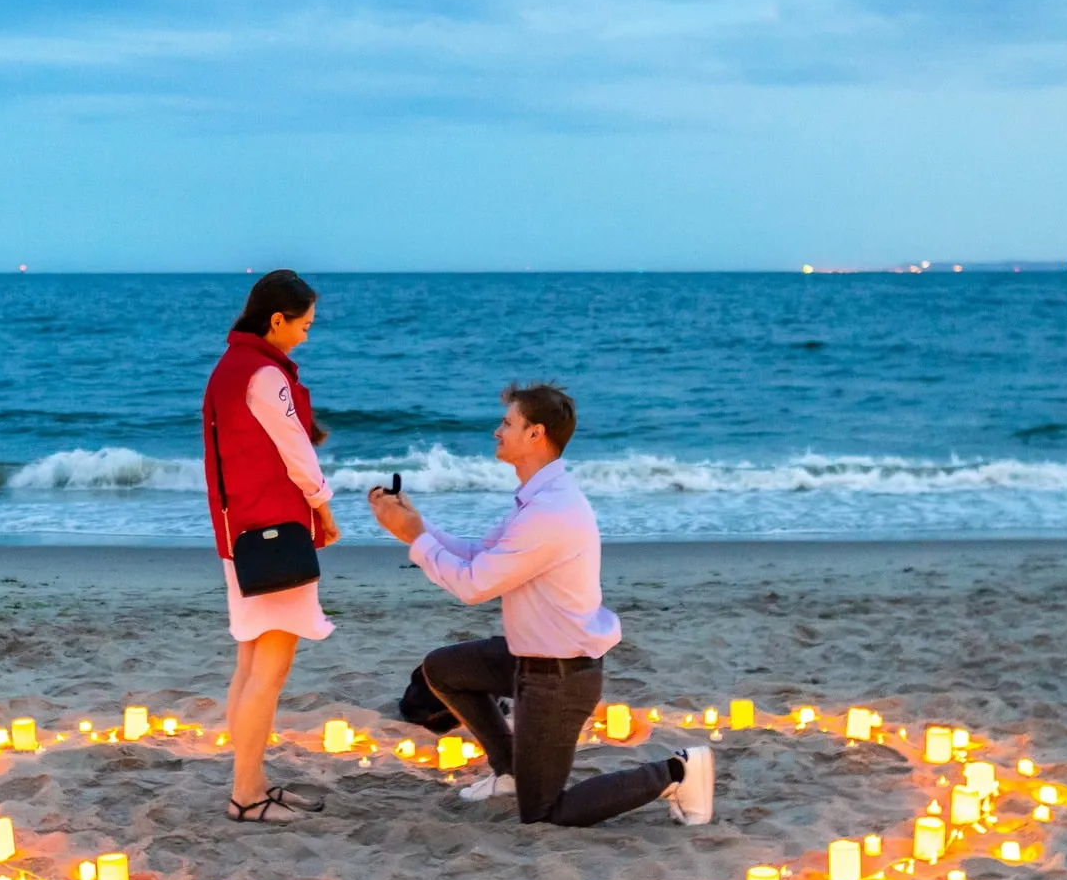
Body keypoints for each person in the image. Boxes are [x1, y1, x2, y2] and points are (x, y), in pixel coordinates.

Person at [366, 383, 714, 827]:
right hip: (527, 658)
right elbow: (478, 552)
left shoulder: (551, 511)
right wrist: (414, 526)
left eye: (507, 423)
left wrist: (415, 537)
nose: (496, 431)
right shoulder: (536, 501)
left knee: (545, 811)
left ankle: (678, 771)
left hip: (559, 677)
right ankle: (510, 770)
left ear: (536, 434)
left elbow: (475, 585)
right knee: (443, 669)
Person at [203, 270, 340, 824]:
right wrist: (325, 512)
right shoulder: (265, 375)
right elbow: (298, 453)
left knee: (249, 663)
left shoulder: (227, 369)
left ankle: (251, 781)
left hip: (239, 536)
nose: (307, 335)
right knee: (269, 670)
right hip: (277, 534)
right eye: (303, 325)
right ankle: (246, 794)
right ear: (277, 320)